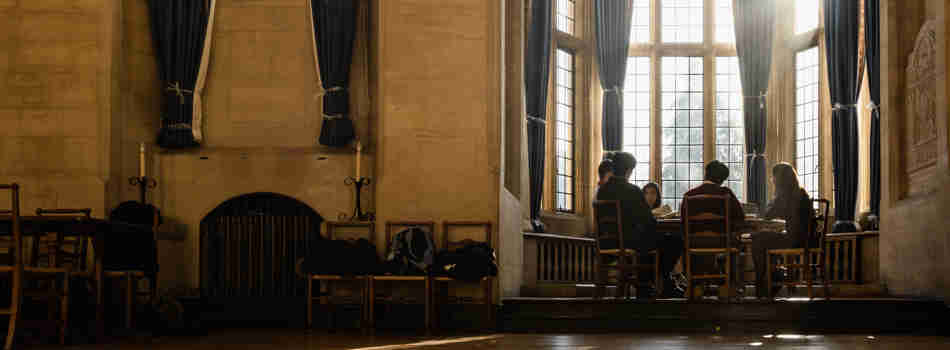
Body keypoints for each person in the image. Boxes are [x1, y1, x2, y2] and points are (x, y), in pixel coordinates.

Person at [595, 152, 684, 298]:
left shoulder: (602, 191)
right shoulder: (632, 190)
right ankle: (656, 283)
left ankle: (649, 284)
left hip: (606, 242)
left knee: (651, 242)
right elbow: (649, 221)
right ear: (629, 170)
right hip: (630, 242)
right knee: (674, 241)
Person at [679, 161, 746, 296]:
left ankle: (696, 285)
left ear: (706, 174)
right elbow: (740, 217)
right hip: (721, 241)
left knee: (687, 244)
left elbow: (684, 223)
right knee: (738, 244)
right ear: (722, 180)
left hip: (694, 242)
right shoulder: (725, 193)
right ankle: (729, 284)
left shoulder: (689, 195)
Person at [751, 162, 814, 299]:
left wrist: (774, 199)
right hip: (806, 240)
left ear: (779, 179)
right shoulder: (801, 193)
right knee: (766, 239)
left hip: (793, 241)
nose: (772, 180)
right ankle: (774, 279)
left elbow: (768, 215)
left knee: (758, 238)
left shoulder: (784, 195)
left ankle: (762, 283)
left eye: (773, 177)